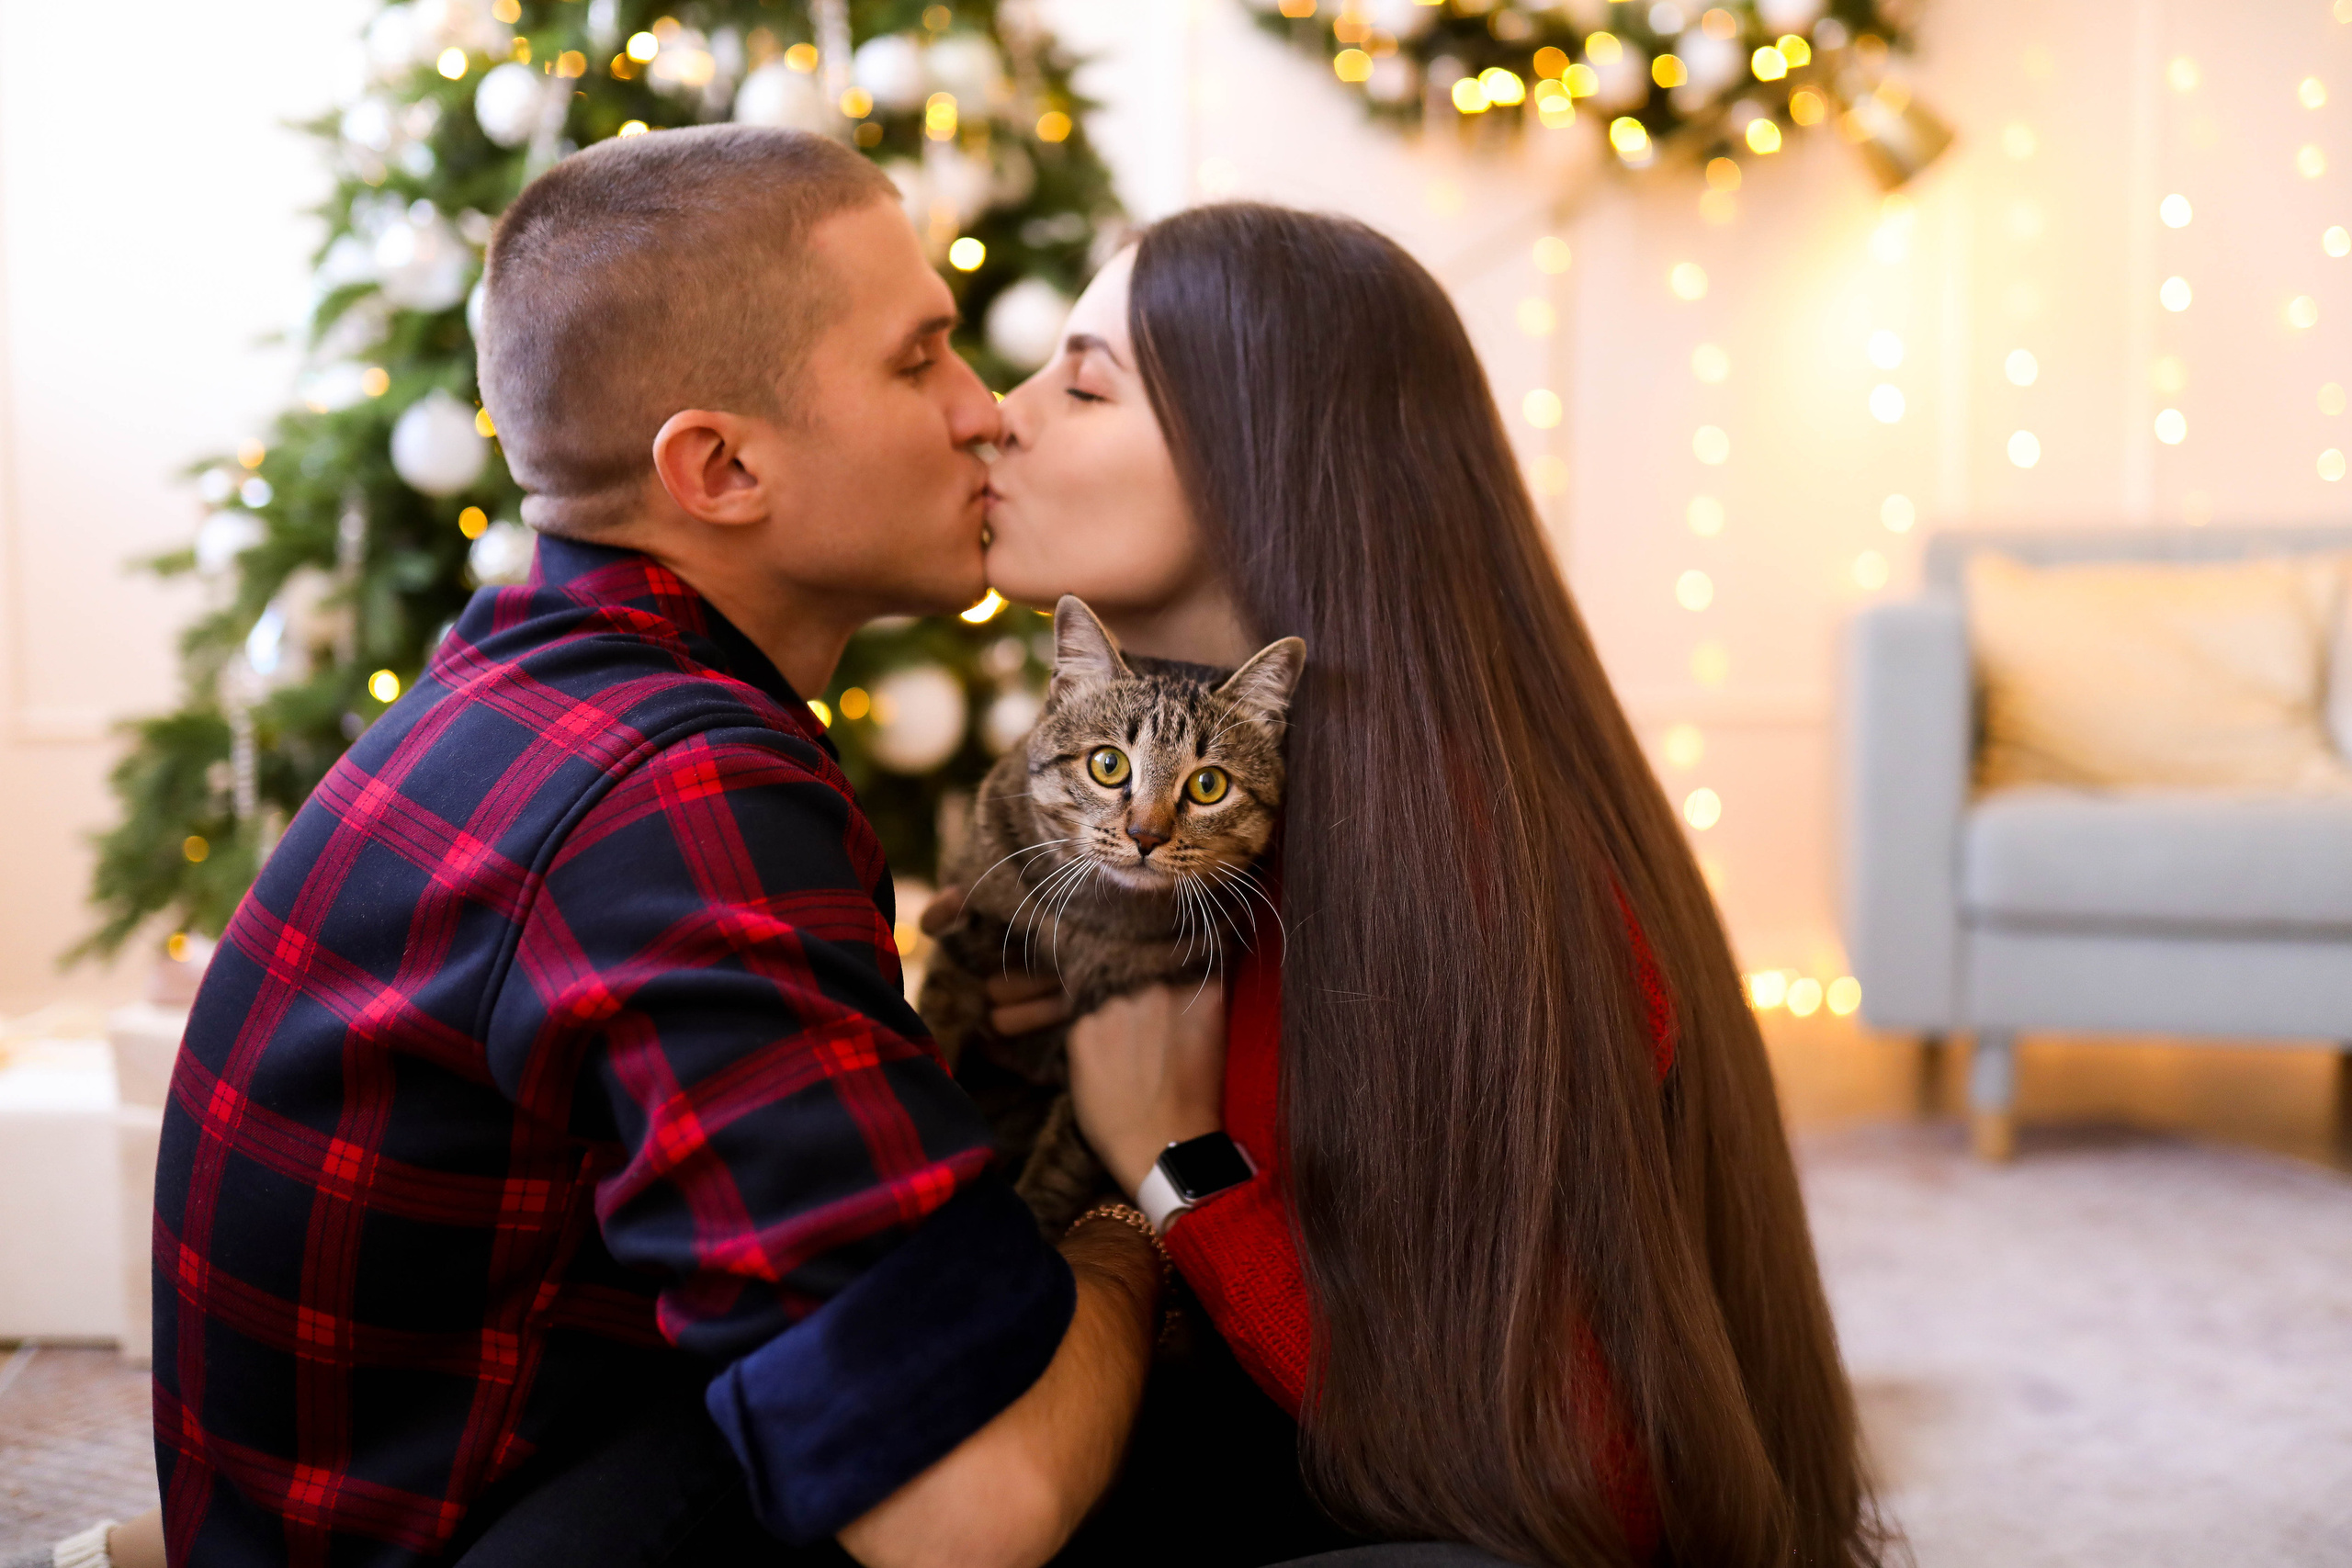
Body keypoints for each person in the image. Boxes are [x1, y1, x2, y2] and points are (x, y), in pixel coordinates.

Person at [136, 126, 1175, 1568]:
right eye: (917, 357)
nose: (984, 411)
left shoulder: (535, 682)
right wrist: (1146, 1188)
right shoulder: (672, 796)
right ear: (721, 467)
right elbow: (965, 1516)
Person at [967, 203, 1893, 1568]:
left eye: (1083, 384)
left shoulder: (1455, 861)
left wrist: (1175, 1158)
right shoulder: (1195, 798)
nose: (1002, 415)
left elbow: (1568, 1462)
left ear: (1255, 459)